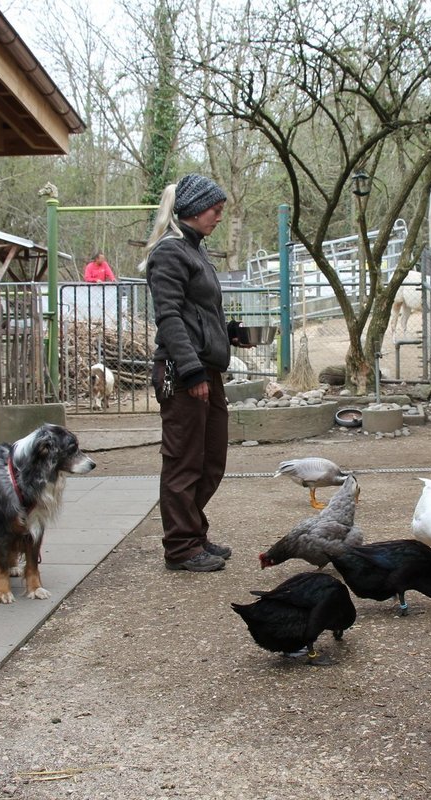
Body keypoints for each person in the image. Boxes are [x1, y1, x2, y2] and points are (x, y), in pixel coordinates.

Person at [143, 174, 244, 572]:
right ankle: (181, 546)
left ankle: (193, 532)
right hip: (183, 373)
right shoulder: (169, 253)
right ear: (192, 209)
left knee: (211, 460)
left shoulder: (196, 251)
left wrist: (230, 334)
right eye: (215, 210)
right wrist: (191, 371)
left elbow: (198, 315)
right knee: (184, 462)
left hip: (205, 370)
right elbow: (168, 317)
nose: (219, 217)